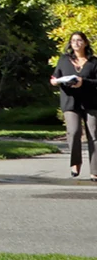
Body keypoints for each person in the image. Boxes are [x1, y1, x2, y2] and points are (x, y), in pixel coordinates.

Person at [51, 30, 97, 180]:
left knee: (94, 135)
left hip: (91, 103)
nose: (76, 43)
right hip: (70, 102)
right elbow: (54, 77)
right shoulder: (64, 60)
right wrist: (56, 81)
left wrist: (84, 82)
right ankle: (75, 164)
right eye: (73, 41)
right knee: (74, 132)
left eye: (79, 40)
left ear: (85, 43)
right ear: (70, 44)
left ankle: (94, 171)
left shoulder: (94, 62)